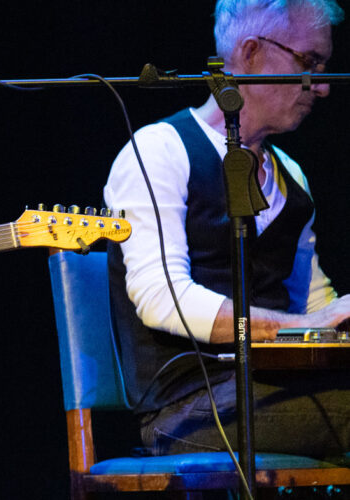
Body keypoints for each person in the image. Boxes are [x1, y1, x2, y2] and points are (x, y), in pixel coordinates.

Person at [104, 0, 350, 458]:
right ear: (251, 53)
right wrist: (303, 326)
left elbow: (313, 304)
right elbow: (163, 299)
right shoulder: (159, 151)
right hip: (187, 408)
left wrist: (337, 321)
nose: (321, 87)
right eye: (309, 62)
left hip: (278, 389)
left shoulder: (292, 176)